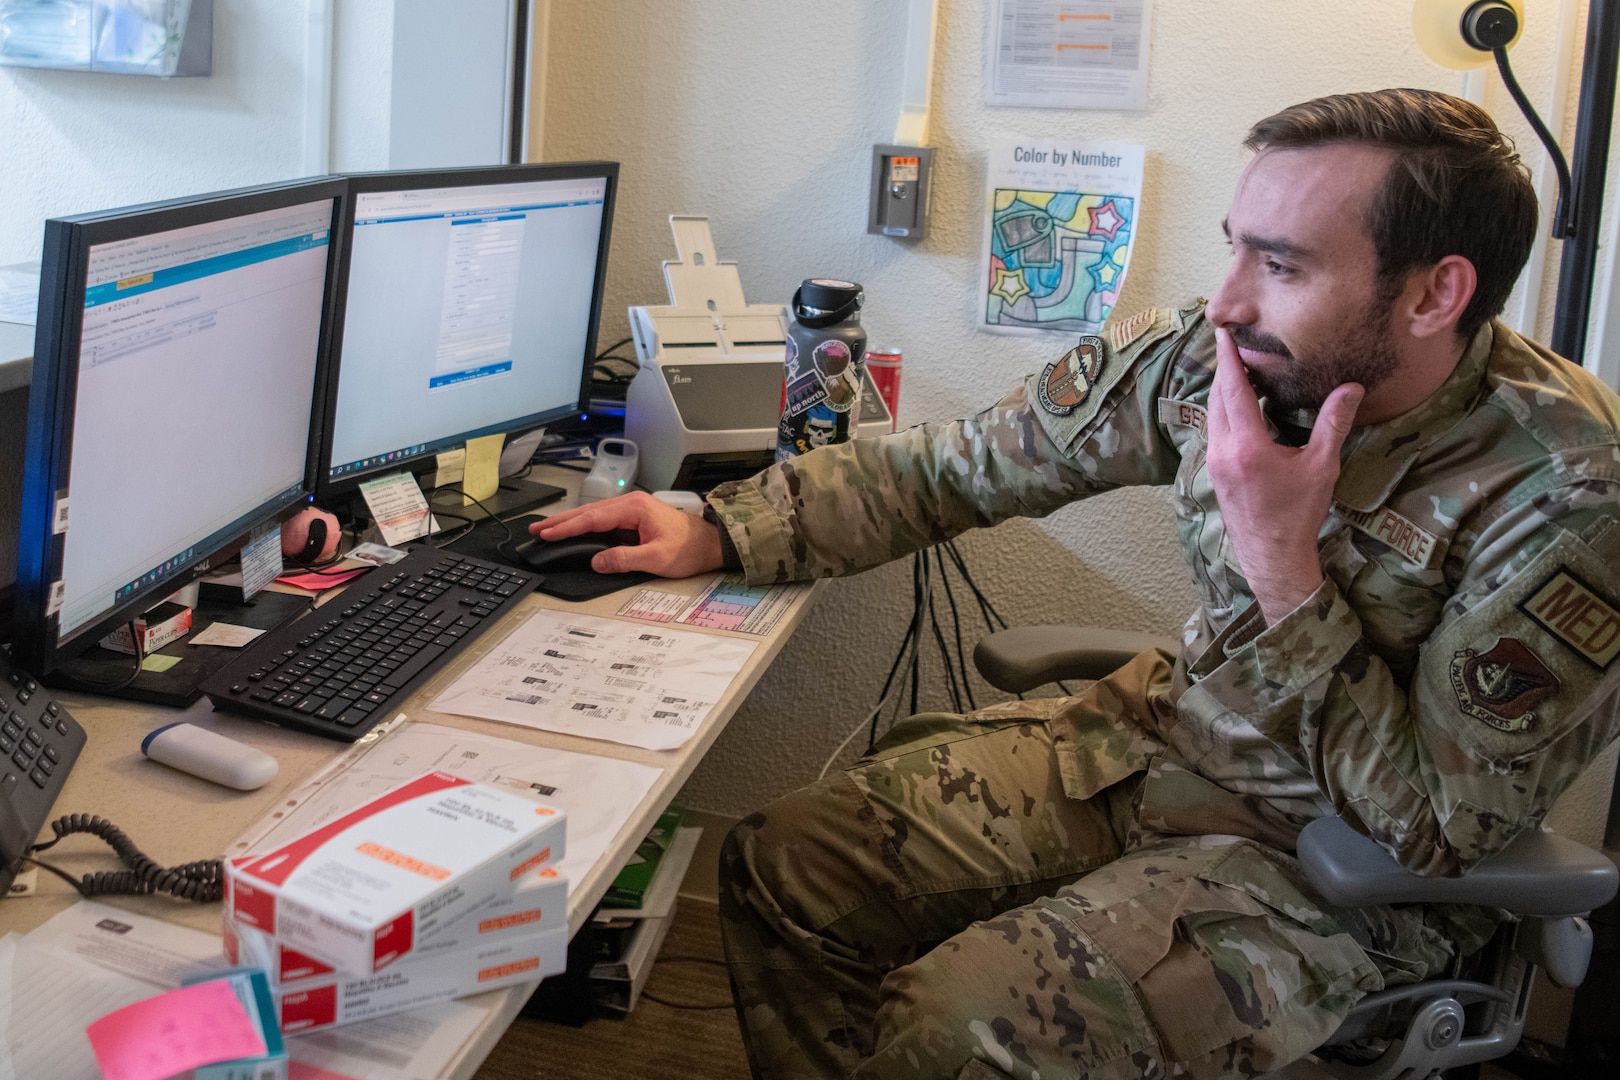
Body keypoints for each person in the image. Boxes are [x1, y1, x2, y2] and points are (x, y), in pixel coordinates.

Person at [535, 89, 1620, 1080]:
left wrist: (1282, 567)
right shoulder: (1219, 356)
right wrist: (720, 528)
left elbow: (1438, 828)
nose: (1226, 301)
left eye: (1281, 266)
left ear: (1436, 294)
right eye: (1233, 249)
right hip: (1161, 742)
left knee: (958, 1025)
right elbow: (960, 464)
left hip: (1340, 873)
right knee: (785, 864)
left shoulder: (1569, 493)